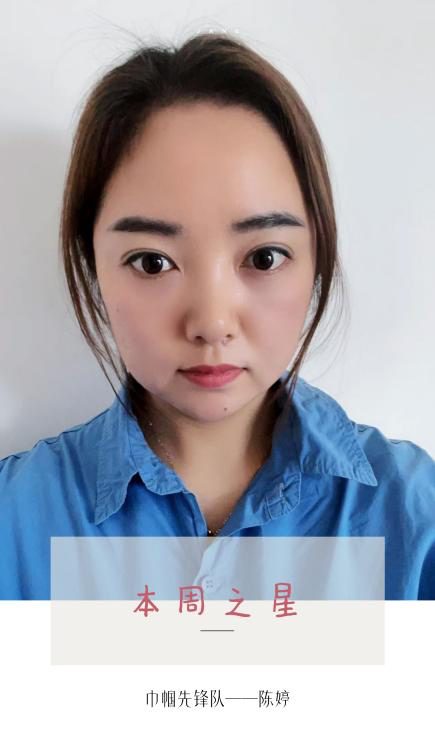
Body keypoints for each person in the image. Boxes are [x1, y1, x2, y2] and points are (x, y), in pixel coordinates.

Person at [0, 31, 434, 601]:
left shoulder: (413, 513)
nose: (211, 322)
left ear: (318, 258)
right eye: (152, 262)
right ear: (93, 266)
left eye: (264, 257)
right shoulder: (15, 521)